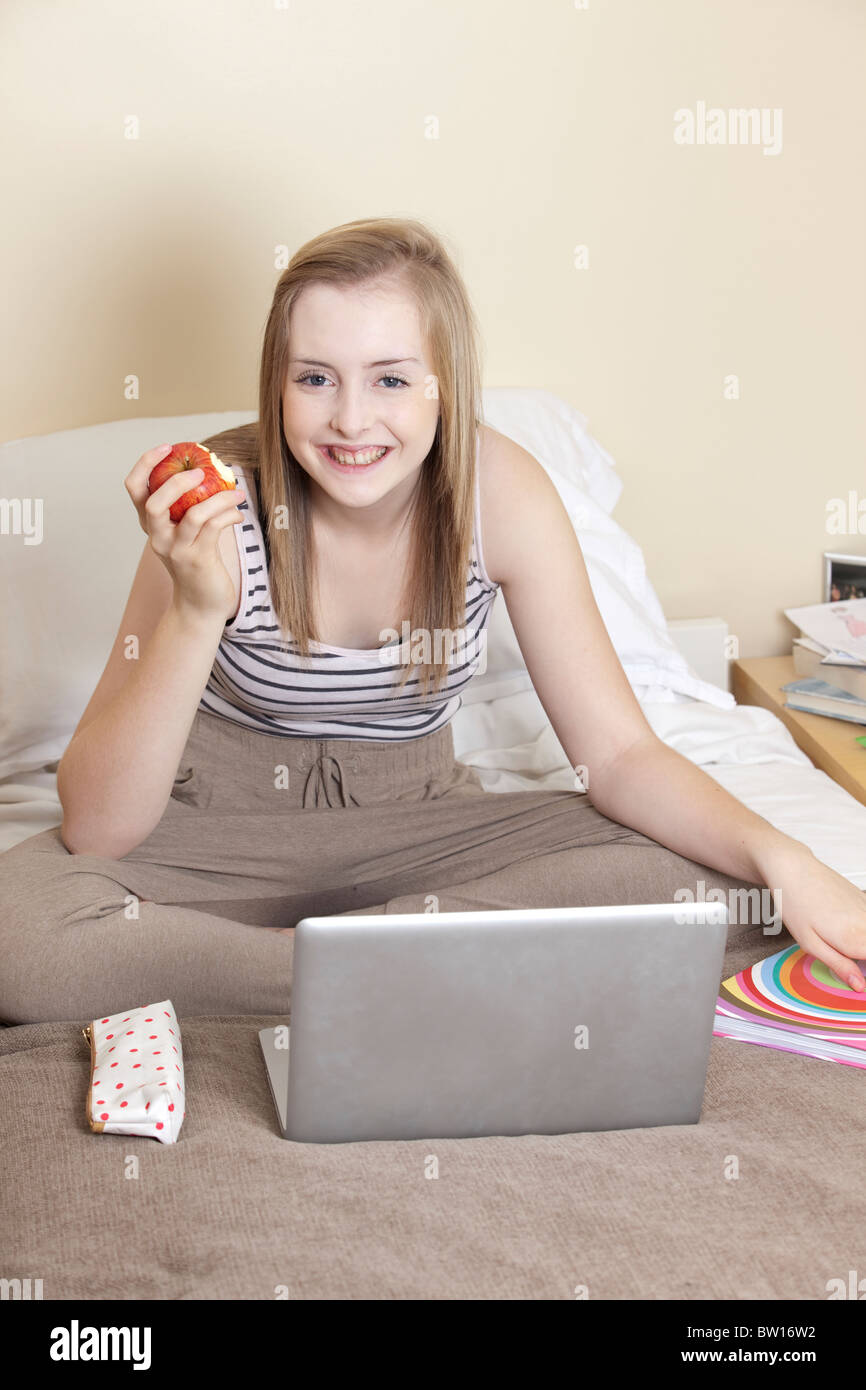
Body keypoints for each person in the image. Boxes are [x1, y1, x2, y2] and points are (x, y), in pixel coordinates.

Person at [2, 216, 864, 1025]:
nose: (350, 419)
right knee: (23, 936)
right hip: (214, 827)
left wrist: (791, 862)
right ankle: (408, 961)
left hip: (418, 823)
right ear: (278, 383)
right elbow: (98, 829)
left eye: (389, 379)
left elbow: (622, 757)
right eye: (314, 378)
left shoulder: (502, 493)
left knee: (716, 885)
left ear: (441, 385)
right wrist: (195, 609)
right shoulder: (214, 500)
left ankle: (327, 960)